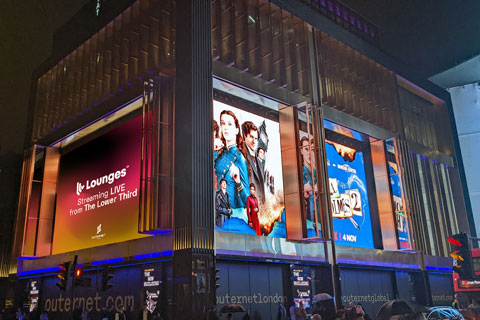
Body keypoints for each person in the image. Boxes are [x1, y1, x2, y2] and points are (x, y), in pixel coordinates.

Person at [214, 110, 249, 211]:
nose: (225, 127)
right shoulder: (219, 152)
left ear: (236, 130)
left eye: (229, 124)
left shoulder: (239, 159)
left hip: (231, 216)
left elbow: (247, 201)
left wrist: (238, 182)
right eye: (223, 123)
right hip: (215, 213)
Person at [242, 121, 265, 202]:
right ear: (244, 136)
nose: (254, 141)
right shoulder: (241, 155)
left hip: (259, 209)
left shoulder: (259, 162)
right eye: (251, 137)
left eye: (256, 138)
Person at [300, 136, 319, 225]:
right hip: (310, 221)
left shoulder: (319, 172)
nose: (309, 153)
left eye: (311, 150)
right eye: (306, 149)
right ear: (301, 151)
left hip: (322, 220)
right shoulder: (300, 172)